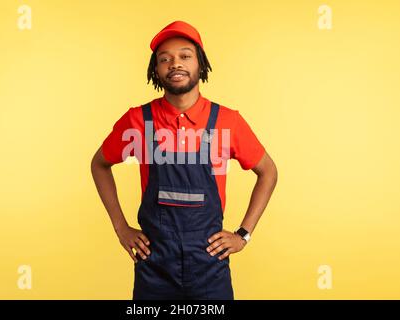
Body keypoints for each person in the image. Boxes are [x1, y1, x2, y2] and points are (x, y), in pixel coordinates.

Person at [91, 20, 278, 300]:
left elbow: (268, 172)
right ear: (156, 70)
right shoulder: (138, 121)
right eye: (164, 59)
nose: (174, 64)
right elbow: (99, 164)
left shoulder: (228, 122)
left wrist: (243, 235)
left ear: (200, 64)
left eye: (185, 56)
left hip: (209, 267)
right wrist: (120, 227)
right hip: (154, 267)